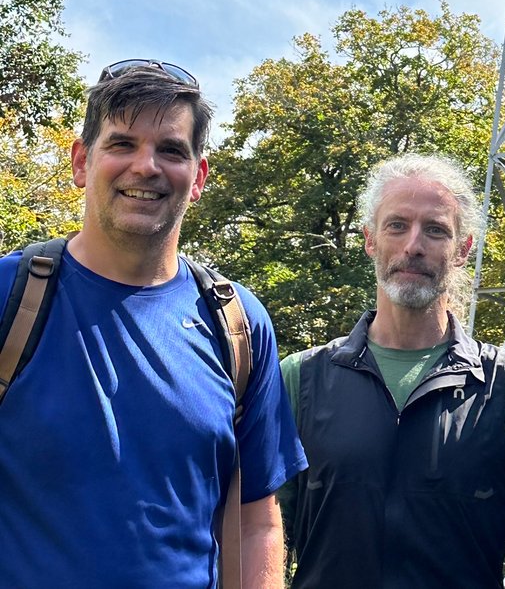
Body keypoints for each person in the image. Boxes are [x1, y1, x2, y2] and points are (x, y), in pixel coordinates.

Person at [0, 60, 307, 588]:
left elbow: (255, 519)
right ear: (80, 162)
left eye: (171, 150)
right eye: (122, 144)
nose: (146, 166)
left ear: (198, 177)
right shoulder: (11, 294)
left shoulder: (236, 324)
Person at [280, 152, 505, 589]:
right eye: (397, 225)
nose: (414, 245)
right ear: (370, 239)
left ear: (463, 249)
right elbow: (264, 539)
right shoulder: (300, 378)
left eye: (435, 230)